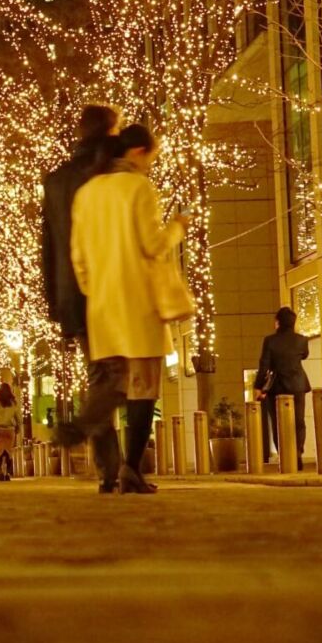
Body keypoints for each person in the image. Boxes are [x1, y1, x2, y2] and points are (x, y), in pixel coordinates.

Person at [70, 124, 187, 495]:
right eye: (152, 155)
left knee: (112, 383)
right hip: (138, 302)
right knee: (143, 386)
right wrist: (178, 228)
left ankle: (116, 464)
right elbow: (152, 244)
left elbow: (78, 257)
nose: (152, 163)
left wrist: (95, 289)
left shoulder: (86, 193)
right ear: (138, 152)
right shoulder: (138, 188)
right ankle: (131, 468)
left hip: (102, 305)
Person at [42, 106, 119, 341]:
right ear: (110, 131)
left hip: (71, 294)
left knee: (99, 370)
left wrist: (55, 301)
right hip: (110, 289)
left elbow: (48, 245)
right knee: (118, 370)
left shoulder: (56, 181)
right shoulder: (112, 171)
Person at [253, 307, 311, 465]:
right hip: (298, 384)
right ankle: (298, 451)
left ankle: (285, 457)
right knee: (298, 421)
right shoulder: (302, 340)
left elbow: (264, 365)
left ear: (277, 322)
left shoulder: (270, 341)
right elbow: (304, 355)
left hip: (277, 386)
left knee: (278, 422)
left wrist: (258, 386)